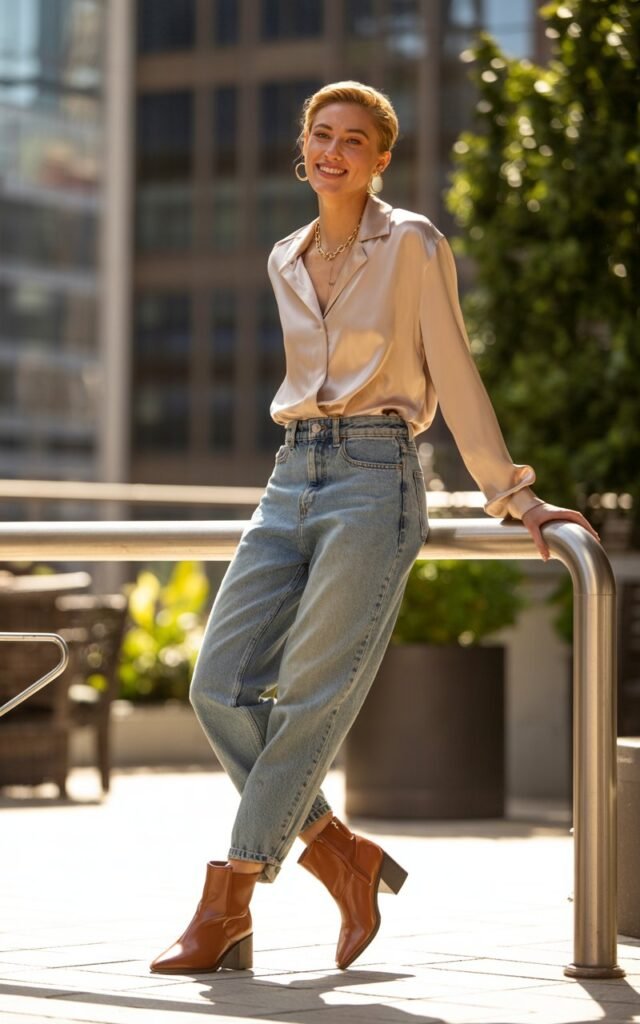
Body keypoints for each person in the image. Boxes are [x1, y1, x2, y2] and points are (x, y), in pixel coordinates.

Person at [150, 81, 599, 976]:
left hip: (376, 475)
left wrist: (514, 496)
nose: (334, 151)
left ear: (380, 159)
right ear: (303, 147)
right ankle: (343, 857)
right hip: (290, 475)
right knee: (217, 684)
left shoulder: (414, 244)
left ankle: (229, 899)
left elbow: (455, 372)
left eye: (355, 140)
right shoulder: (283, 256)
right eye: (322, 135)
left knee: (313, 692)